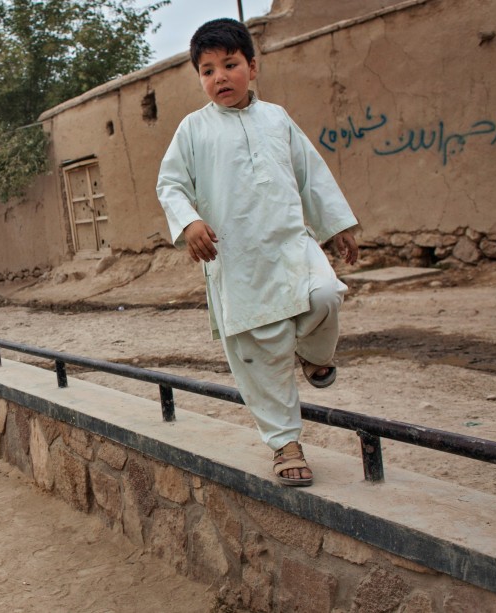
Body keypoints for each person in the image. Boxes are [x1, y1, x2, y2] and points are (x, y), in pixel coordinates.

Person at [156, 18, 360, 487]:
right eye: (207, 70)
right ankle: (285, 443)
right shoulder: (192, 130)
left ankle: (313, 354)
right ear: (199, 78)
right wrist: (189, 221)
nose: (220, 77)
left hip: (291, 243)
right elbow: (170, 185)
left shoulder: (277, 118)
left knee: (327, 293)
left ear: (252, 66)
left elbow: (311, 174)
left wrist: (338, 225)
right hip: (236, 258)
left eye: (230, 65)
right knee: (258, 354)